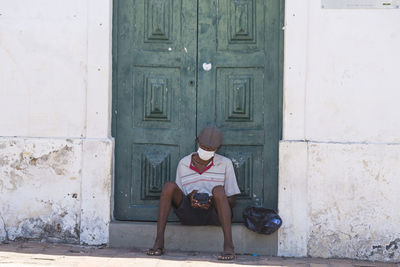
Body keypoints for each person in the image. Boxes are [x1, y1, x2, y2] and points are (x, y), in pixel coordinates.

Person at [147, 126, 241, 260]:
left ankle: (229, 246)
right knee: (168, 186)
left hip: (215, 214)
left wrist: (211, 200)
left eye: (210, 149)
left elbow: (232, 201)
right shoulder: (183, 163)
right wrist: (191, 197)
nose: (206, 150)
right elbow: (178, 198)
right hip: (190, 213)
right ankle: (159, 241)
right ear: (197, 141)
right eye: (204, 146)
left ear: (218, 147)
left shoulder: (225, 164)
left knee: (218, 190)